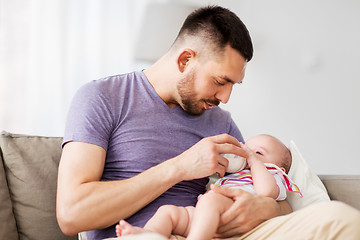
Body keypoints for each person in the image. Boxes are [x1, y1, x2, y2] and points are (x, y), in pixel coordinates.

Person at [56, 5, 360, 240]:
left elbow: (271, 195)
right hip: (147, 233)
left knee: (342, 220)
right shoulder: (102, 98)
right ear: (185, 60)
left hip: (220, 231)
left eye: (233, 86)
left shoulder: (221, 123)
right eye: (220, 81)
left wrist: (265, 208)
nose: (225, 98)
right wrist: (180, 167)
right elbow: (71, 214)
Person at [114, 134, 303, 240]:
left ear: (281, 168)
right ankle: (147, 235)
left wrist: (254, 161)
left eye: (259, 152)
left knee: (213, 198)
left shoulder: (273, 174)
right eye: (247, 147)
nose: (247, 153)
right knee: (168, 212)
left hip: (234, 218)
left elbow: (266, 193)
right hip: (206, 217)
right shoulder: (236, 173)